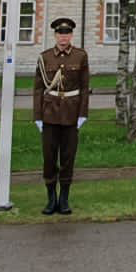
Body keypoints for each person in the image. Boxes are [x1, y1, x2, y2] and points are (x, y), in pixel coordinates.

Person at [32, 16, 91, 215]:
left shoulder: (80, 56)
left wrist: (82, 113)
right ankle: (51, 199)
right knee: (49, 157)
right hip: (49, 113)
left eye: (66, 33)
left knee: (68, 157)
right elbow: (38, 89)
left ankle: (64, 198)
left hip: (71, 113)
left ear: (71, 35)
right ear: (55, 35)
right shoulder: (44, 57)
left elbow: (84, 87)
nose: (63, 37)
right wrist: (38, 116)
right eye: (60, 33)